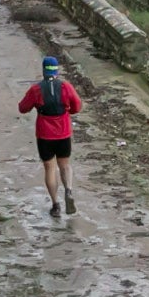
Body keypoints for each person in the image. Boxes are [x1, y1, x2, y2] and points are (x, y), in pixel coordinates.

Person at [18, 54, 85, 216]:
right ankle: (68, 190)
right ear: (56, 71)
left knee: (50, 168)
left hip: (45, 135)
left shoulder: (36, 89)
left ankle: (56, 205)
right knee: (65, 165)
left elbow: (22, 108)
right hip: (63, 132)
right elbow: (77, 106)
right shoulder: (65, 86)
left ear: (43, 71)